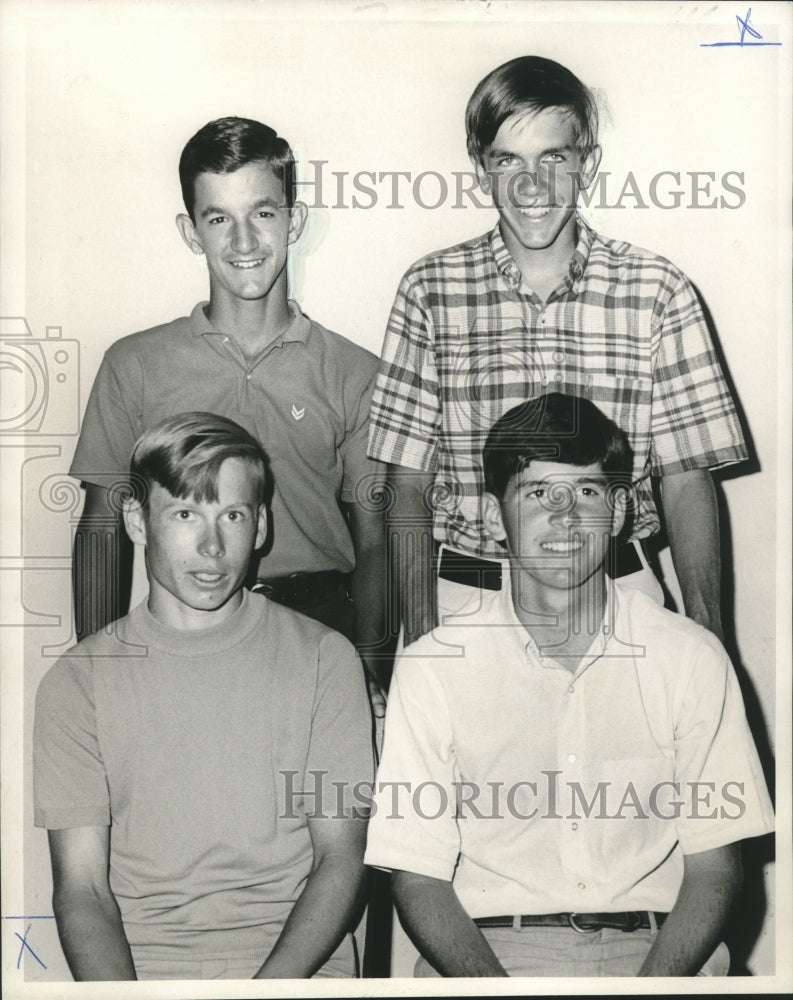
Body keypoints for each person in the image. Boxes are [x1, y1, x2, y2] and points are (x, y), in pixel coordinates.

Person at [364, 394, 773, 977]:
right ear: (491, 517)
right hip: (492, 956)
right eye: (537, 493)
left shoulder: (690, 658)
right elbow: (416, 873)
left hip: (661, 955)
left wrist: (651, 993)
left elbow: (717, 867)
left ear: (621, 508)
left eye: (585, 492)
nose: (564, 516)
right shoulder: (434, 668)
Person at [368, 55, 747, 646]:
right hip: (471, 599)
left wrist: (710, 640)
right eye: (507, 161)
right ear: (480, 170)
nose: (531, 186)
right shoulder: (429, 290)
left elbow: (687, 480)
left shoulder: (657, 290)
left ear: (586, 164)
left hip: (619, 593)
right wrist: (419, 638)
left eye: (554, 158)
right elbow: (407, 482)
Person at [35, 412, 374, 980]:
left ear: (261, 526)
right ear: (138, 521)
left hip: (297, 976)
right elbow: (83, 890)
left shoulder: (323, 658)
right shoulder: (77, 682)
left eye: (233, 515)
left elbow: (340, 860)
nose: (213, 546)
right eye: (187, 513)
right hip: (145, 975)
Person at [69, 116, 389, 712]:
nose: (244, 242)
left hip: (320, 635)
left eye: (263, 213)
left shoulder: (355, 373)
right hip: (182, 634)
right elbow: (100, 529)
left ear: (293, 221)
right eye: (219, 218)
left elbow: (376, 541)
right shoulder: (135, 364)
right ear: (192, 232)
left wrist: (369, 672)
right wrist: (98, 670)